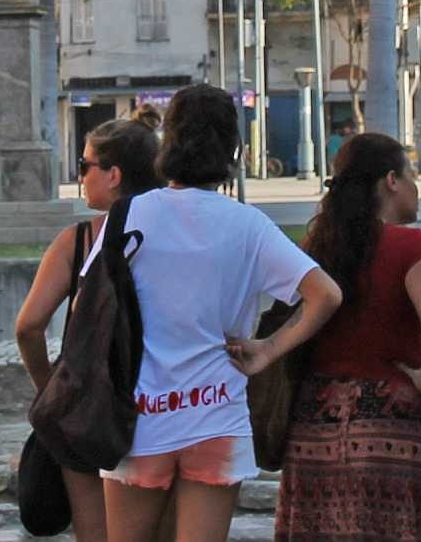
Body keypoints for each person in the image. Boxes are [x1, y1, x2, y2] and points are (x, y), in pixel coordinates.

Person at [100, 84, 343, 542]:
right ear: (232, 147)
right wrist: (268, 350)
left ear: (168, 142)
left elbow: (88, 304)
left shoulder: (128, 216)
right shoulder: (247, 225)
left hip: (139, 418)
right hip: (216, 417)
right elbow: (325, 294)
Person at [275, 133, 421, 542]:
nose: (416, 187)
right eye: (411, 175)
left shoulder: (317, 247)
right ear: (391, 180)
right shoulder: (412, 246)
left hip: (314, 427)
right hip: (390, 427)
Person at [14, 118, 160, 542]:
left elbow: (28, 326)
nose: (80, 177)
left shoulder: (79, 241)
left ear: (113, 175)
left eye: (85, 165)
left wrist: (50, 387)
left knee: (95, 532)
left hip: (92, 407)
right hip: (163, 402)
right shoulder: (176, 234)